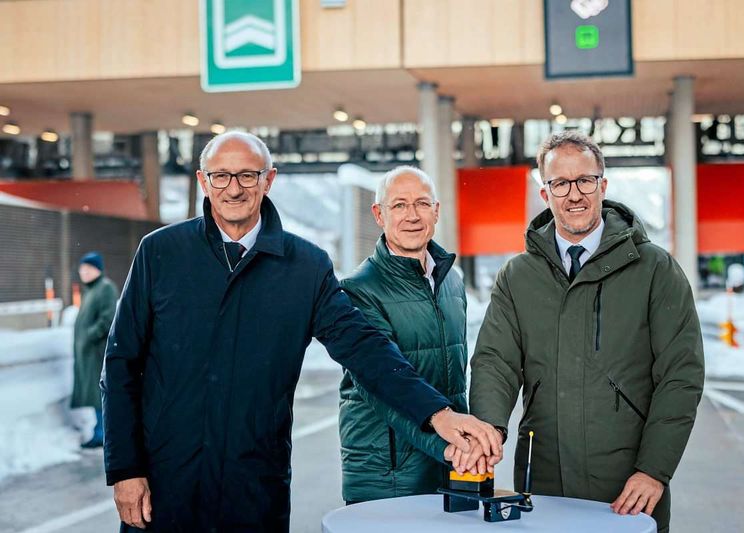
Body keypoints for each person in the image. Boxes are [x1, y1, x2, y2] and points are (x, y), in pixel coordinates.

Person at [101, 132, 502, 532]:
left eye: (247, 175)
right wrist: (125, 469)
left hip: (256, 485)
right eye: (221, 176)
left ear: (268, 180)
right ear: (204, 182)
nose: (234, 188)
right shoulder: (160, 253)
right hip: (165, 482)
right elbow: (121, 363)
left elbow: (366, 351)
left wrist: (437, 414)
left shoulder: (304, 268)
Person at [469, 131, 704, 532]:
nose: (573, 194)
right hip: (544, 478)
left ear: (603, 185)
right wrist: (489, 427)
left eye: (584, 180)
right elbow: (496, 362)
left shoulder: (654, 270)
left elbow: (680, 376)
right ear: (545, 194)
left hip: (627, 483)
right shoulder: (518, 276)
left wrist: (654, 469)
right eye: (560, 183)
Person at [339, 166, 487, 504]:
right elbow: (381, 386)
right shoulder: (359, 289)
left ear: (436, 211)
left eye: (421, 204)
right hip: (388, 474)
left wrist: (467, 442)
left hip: (450, 463)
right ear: (379, 214)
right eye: (399, 205)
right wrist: (451, 445)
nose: (412, 216)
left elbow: (455, 382)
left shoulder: (451, 280)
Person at [71, 251, 118, 449]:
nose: (84, 272)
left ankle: (102, 434)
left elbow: (107, 319)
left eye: (88, 269)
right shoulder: (89, 290)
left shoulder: (105, 288)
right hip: (88, 353)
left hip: (97, 352)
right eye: (82, 269)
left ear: (97, 270)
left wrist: (90, 336)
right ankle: (100, 431)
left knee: (100, 392)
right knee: (93, 393)